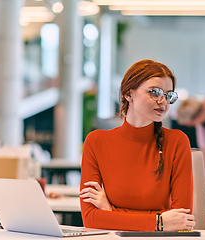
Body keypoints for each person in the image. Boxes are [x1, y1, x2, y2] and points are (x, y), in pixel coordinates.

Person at [79, 59, 195, 231]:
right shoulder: (96, 141)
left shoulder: (177, 142)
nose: (163, 101)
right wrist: (159, 222)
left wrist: (111, 211)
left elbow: (180, 221)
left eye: (168, 95)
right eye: (155, 92)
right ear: (128, 94)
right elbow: (90, 219)